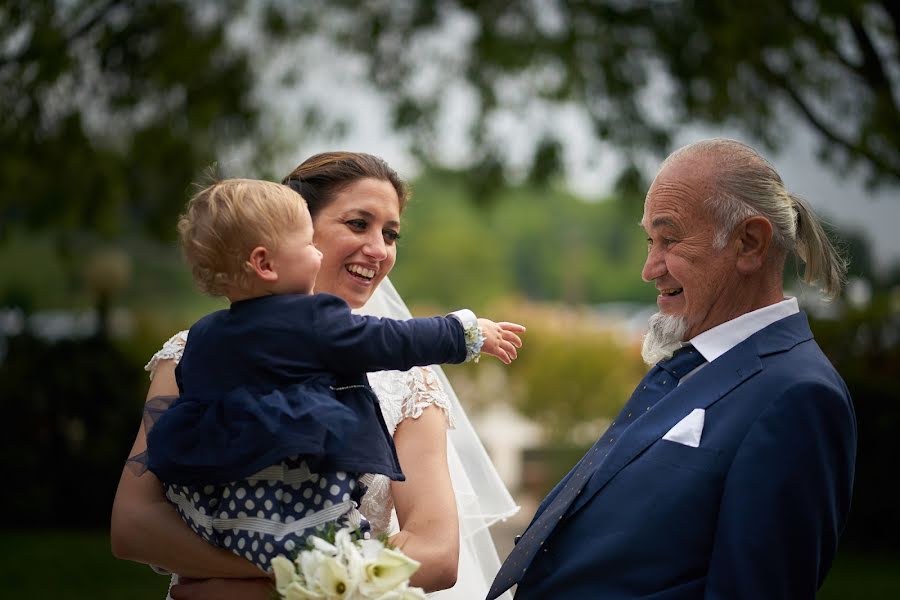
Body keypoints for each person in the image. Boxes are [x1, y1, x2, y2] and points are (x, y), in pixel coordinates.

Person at [111, 152, 521, 599]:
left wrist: (268, 585)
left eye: (390, 234)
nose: (379, 249)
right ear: (292, 230)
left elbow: (437, 554)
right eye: (358, 224)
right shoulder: (190, 353)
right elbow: (134, 525)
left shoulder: (409, 383)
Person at [488, 138, 857, 599]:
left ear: (749, 243)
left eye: (670, 239)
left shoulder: (799, 395)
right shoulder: (698, 362)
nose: (649, 268)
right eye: (649, 239)